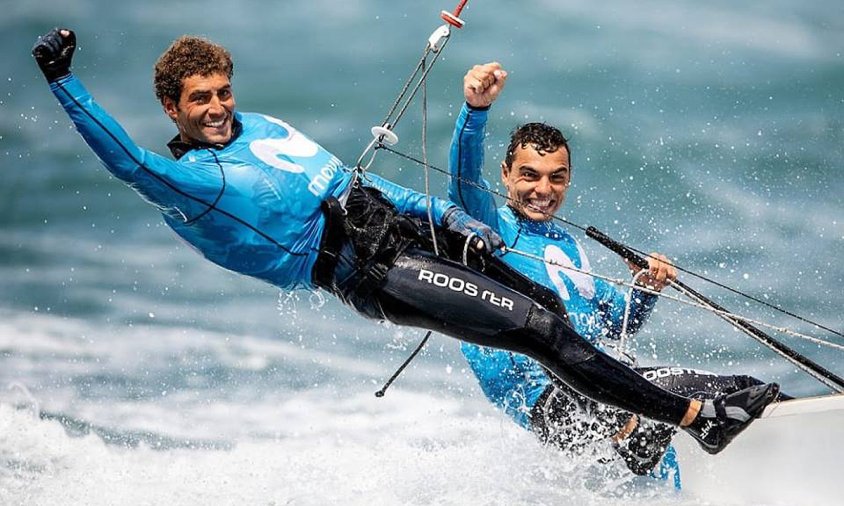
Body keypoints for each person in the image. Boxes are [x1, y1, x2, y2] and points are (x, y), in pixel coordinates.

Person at [32, 28, 780, 458]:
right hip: (364, 272)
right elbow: (128, 164)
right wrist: (65, 82)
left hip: (394, 230)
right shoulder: (190, 184)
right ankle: (691, 421)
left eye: (224, 90)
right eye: (202, 99)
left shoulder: (262, 128)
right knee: (539, 329)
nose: (220, 107)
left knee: (548, 298)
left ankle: (660, 408)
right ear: (174, 106)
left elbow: (362, 184)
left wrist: (446, 217)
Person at [449, 62, 784, 475]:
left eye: (557, 178)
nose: (543, 190)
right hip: (547, 403)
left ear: (569, 180)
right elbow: (463, 184)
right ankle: (641, 440)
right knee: (688, 396)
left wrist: (644, 289)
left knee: (742, 389)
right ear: (505, 175)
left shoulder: (568, 248)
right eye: (529, 176)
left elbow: (613, 325)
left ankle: (717, 455)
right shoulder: (489, 230)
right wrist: (475, 110)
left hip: (600, 385)